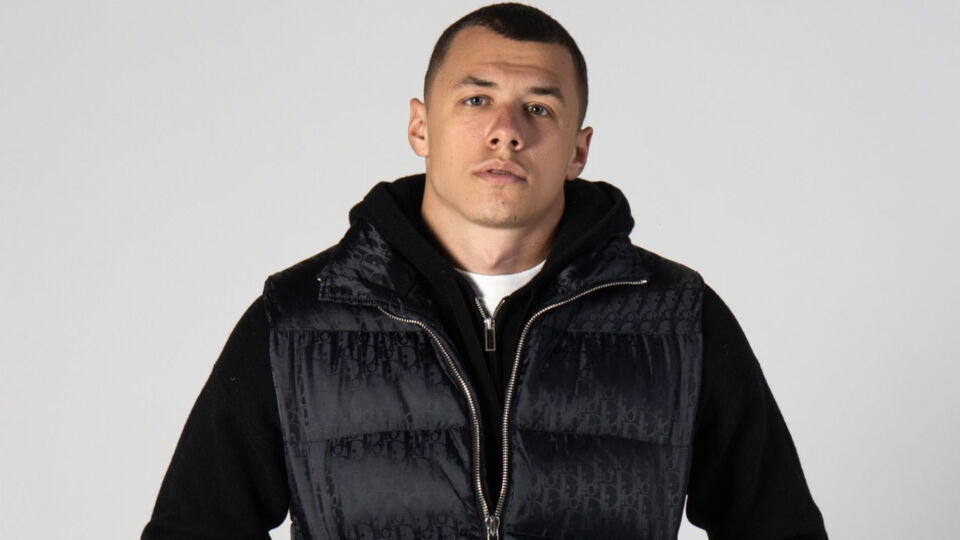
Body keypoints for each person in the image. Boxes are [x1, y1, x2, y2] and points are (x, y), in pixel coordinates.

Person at [143, 3, 827, 539]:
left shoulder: (677, 319)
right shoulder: (300, 318)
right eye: (476, 100)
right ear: (421, 127)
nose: (507, 130)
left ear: (578, 150)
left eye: (539, 107)